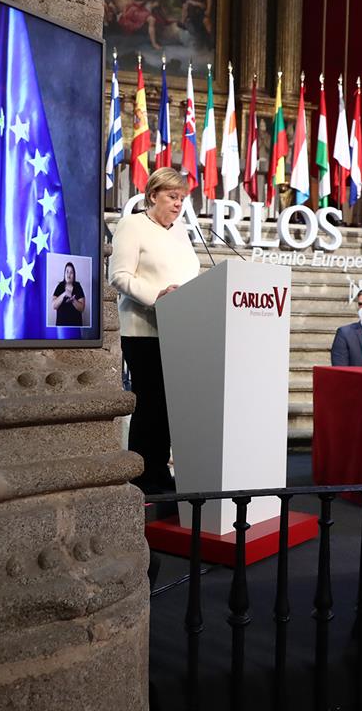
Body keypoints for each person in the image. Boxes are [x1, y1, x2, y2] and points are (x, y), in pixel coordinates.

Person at [108, 168, 201, 494]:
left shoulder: (181, 233)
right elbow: (119, 276)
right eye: (172, 197)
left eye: (182, 198)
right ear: (153, 195)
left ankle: (160, 471)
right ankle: (142, 476)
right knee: (151, 403)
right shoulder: (133, 225)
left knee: (169, 405)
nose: (178, 205)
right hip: (143, 330)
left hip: (179, 330)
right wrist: (156, 298)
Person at [52, 262, 87, 326]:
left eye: (71, 272)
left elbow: (82, 308)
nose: (69, 275)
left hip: (76, 327)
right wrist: (64, 294)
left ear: (74, 275)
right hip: (61, 328)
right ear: (64, 274)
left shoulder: (78, 286)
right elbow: (54, 306)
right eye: (67, 272)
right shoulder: (60, 286)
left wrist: (73, 300)